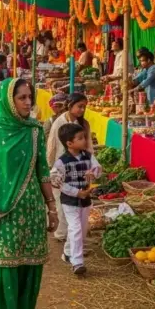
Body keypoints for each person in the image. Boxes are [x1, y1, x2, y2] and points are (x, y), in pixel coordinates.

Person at [0, 79, 58, 309]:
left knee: (29, 267)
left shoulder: (34, 130)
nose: (27, 102)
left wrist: (51, 207)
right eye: (21, 98)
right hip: (2, 213)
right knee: (3, 266)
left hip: (31, 210)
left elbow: (42, 171)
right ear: (8, 100)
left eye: (29, 97)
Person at [49, 122, 101, 276]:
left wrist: (94, 172)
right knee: (76, 228)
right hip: (70, 201)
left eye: (84, 137)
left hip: (85, 200)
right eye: (80, 138)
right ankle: (77, 263)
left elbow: (98, 168)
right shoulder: (61, 162)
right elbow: (56, 181)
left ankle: (67, 253)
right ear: (69, 143)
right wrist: (76, 192)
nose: (84, 140)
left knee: (82, 229)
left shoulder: (88, 157)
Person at [44, 93, 95, 241]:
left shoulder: (84, 124)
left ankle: (74, 237)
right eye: (79, 106)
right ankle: (62, 234)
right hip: (61, 166)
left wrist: (90, 163)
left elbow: (89, 145)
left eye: (84, 107)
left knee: (78, 199)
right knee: (61, 200)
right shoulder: (59, 122)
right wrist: (50, 166)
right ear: (70, 105)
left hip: (80, 166)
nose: (82, 110)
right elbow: (52, 145)